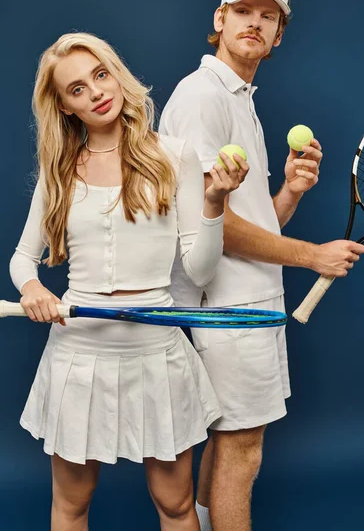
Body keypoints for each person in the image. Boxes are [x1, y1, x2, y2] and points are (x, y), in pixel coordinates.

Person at [9, 31, 249, 531]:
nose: (96, 92)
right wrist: (31, 288)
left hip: (156, 353)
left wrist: (213, 204)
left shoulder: (173, 155)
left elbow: (200, 270)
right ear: (65, 106)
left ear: (116, 74)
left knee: (176, 506)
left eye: (101, 75)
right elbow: (21, 259)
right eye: (77, 89)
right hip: (79, 356)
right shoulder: (60, 170)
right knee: (71, 505)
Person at [158, 0, 364, 531]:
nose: (255, 23)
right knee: (243, 452)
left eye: (268, 17)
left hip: (250, 302)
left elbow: (245, 223)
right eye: (243, 12)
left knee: (229, 443)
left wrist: (290, 194)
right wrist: (312, 255)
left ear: (277, 37)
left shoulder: (240, 99)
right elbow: (207, 227)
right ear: (219, 19)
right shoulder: (202, 96)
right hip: (227, 308)